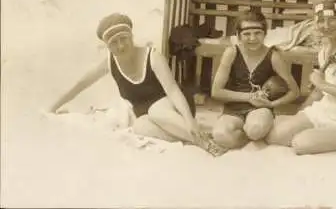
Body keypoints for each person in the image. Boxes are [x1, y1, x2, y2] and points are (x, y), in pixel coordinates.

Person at [46, 13, 221, 154]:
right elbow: (80, 84)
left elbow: (173, 90)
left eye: (124, 38)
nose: (121, 46)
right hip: (145, 114)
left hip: (173, 108)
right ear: (107, 46)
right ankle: (193, 137)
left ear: (131, 36)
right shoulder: (109, 62)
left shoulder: (152, 56)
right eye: (114, 43)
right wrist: (51, 108)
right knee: (140, 127)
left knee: (157, 111)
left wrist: (189, 120)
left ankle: (204, 143)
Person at [266, 1, 336, 154]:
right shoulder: (325, 50)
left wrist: (323, 85)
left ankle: (325, 135)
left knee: (300, 143)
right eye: (320, 20)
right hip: (328, 110)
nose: (326, 25)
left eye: (332, 19)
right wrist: (300, 114)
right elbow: (318, 93)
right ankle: (318, 132)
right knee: (275, 136)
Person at [210, 10, 300, 149]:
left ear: (265, 34)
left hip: (260, 109)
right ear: (239, 36)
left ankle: (256, 133)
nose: (252, 38)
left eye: (258, 33)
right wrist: (249, 97)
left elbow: (294, 91)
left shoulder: (273, 56)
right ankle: (251, 138)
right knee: (221, 135)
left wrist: (272, 105)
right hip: (234, 108)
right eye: (246, 34)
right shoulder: (232, 52)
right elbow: (216, 92)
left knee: (255, 129)